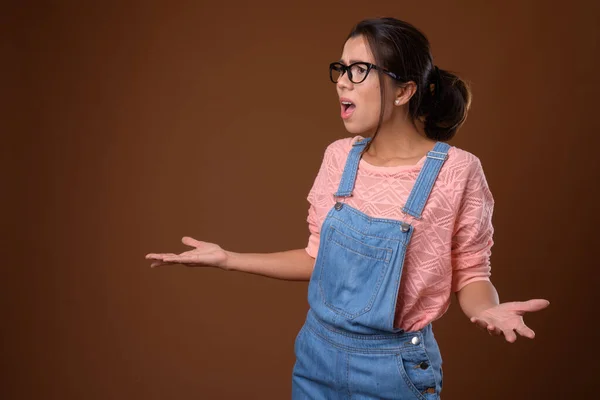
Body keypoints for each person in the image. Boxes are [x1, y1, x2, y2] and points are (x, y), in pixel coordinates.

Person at [146, 17, 549, 399]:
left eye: (359, 70)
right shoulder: (339, 158)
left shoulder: (458, 171)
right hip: (316, 355)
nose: (342, 82)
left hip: (395, 369)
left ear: (404, 91)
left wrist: (488, 310)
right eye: (341, 69)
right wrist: (226, 259)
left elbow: (471, 272)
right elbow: (316, 257)